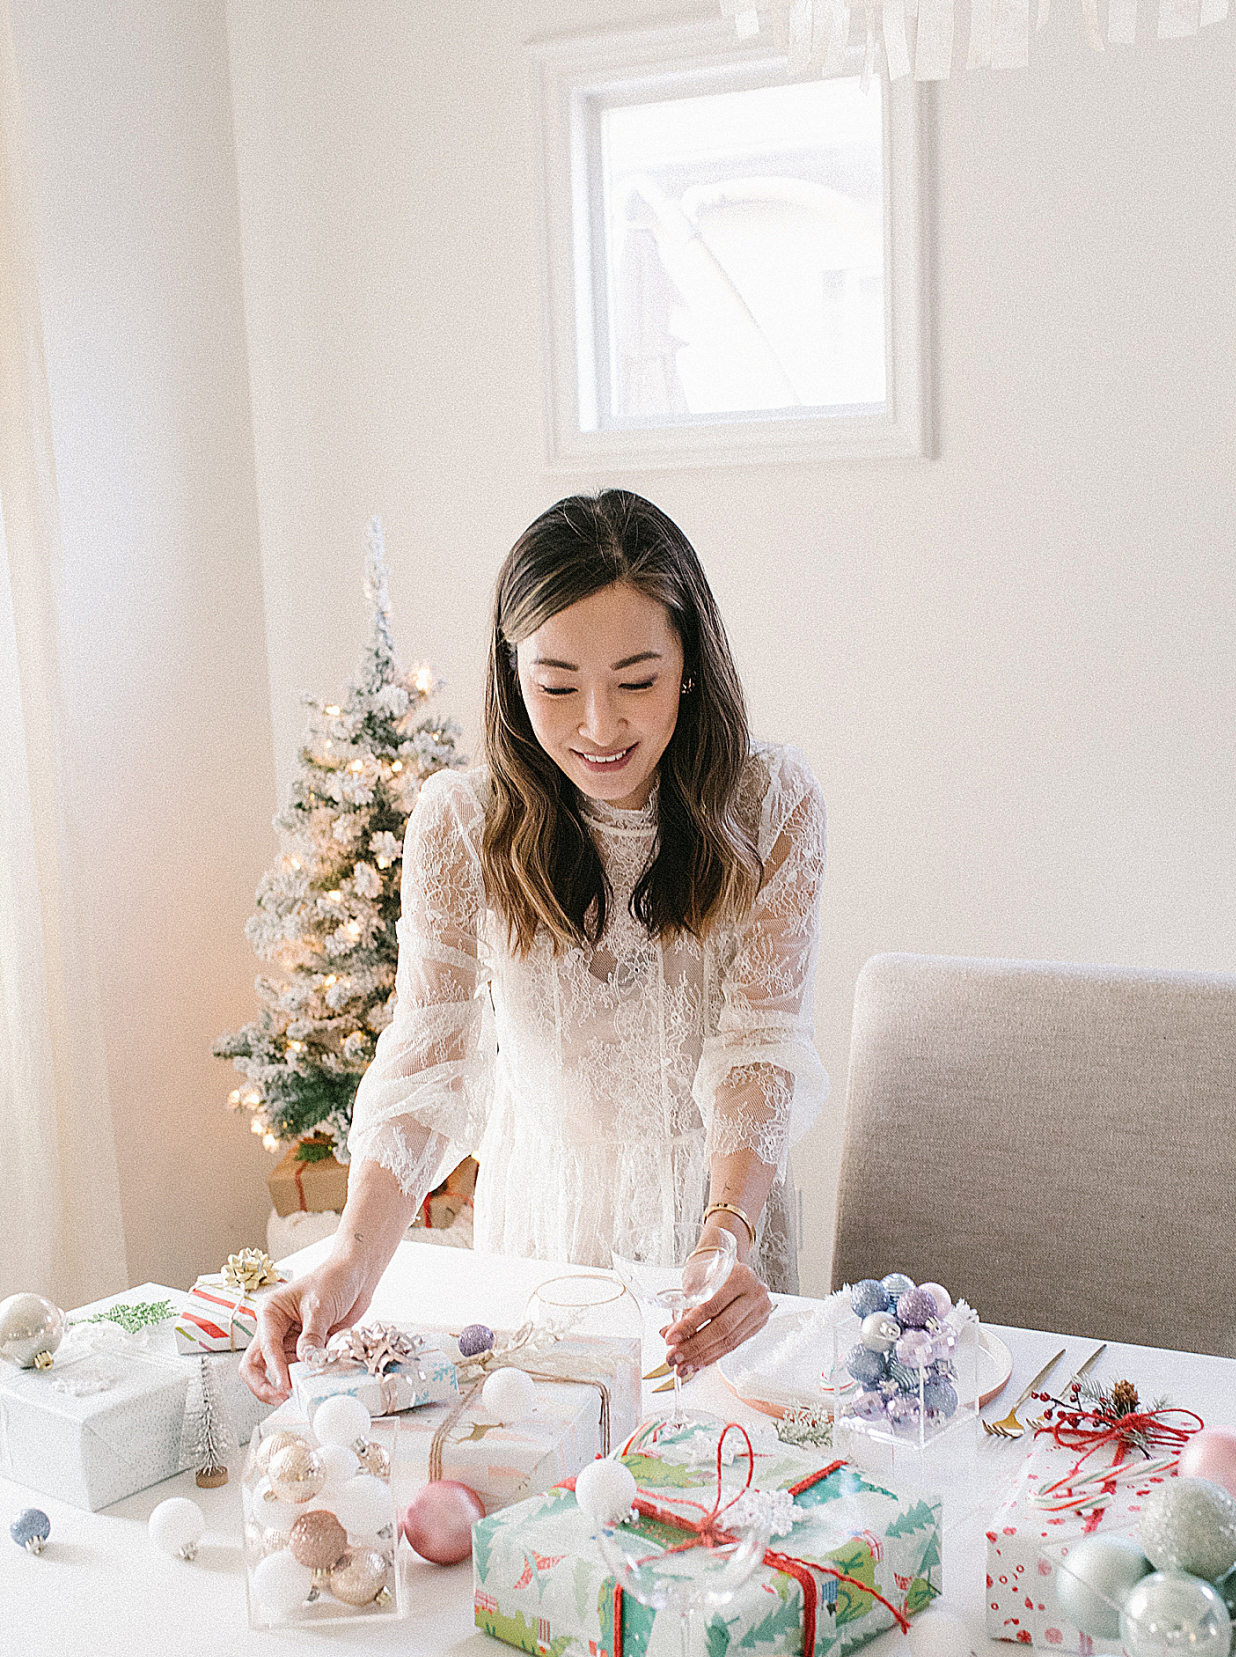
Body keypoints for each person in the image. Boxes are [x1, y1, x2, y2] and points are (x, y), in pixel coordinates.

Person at [242, 490, 827, 1406]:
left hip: (722, 1226)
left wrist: (725, 1237)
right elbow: (428, 1058)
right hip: (541, 1229)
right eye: (557, 685)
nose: (598, 725)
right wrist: (352, 1256)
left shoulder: (773, 808)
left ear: (690, 668)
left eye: (636, 680)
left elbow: (758, 1052)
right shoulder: (462, 825)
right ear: (514, 678)